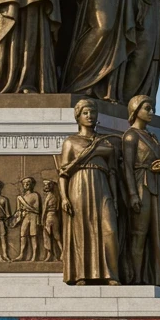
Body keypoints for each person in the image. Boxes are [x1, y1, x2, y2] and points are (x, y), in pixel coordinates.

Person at [58, 99, 122, 285]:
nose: (90, 116)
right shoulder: (71, 142)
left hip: (102, 185)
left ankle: (111, 274)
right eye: (85, 112)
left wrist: (115, 198)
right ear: (78, 116)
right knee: (82, 229)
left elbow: (112, 173)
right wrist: (63, 197)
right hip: (79, 185)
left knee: (110, 230)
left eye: (92, 112)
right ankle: (81, 275)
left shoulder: (106, 142)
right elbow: (63, 173)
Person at [121, 95, 160, 286]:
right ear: (135, 110)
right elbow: (127, 166)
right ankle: (137, 277)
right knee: (139, 233)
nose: (151, 112)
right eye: (147, 109)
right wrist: (133, 193)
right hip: (140, 183)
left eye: (152, 109)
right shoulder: (130, 135)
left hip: (156, 184)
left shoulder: (152, 136)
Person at [12, 177, 42, 263]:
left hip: (33, 216)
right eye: (24, 183)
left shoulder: (35, 195)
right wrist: (20, 212)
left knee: (33, 236)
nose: (26, 184)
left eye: (28, 182)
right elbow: (18, 210)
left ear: (32, 184)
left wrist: (26, 206)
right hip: (25, 217)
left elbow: (37, 210)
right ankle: (22, 254)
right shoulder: (21, 197)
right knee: (23, 235)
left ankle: (34, 255)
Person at [40, 180, 62, 262]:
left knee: (47, 236)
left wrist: (42, 220)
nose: (45, 187)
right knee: (56, 236)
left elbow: (45, 209)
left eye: (46, 185)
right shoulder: (56, 196)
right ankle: (62, 252)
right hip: (55, 216)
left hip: (49, 217)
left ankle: (50, 255)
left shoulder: (49, 196)